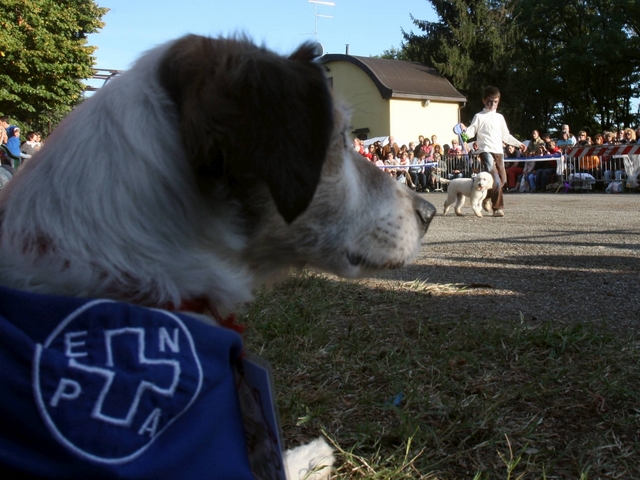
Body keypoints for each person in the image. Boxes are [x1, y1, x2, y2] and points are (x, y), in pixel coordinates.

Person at [460, 86, 526, 217]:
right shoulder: (479, 116)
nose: (492, 104)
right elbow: (471, 130)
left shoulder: (500, 117)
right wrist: (465, 133)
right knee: (495, 178)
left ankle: (485, 197)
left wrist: (519, 144)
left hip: (499, 151)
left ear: (498, 101)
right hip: (485, 151)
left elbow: (505, 135)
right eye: (489, 101)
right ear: (484, 100)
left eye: (495, 102)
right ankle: (497, 208)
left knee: (502, 180)